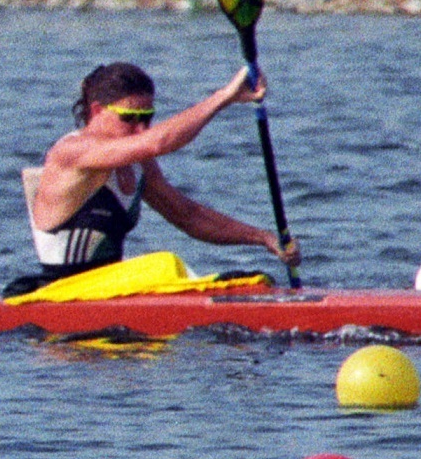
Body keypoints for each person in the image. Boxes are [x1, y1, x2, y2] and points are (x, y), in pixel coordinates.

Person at [18, 62, 299, 293]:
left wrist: (263, 238)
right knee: (165, 262)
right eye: (129, 118)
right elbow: (157, 143)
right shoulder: (72, 151)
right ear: (96, 111)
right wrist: (224, 97)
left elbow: (188, 215)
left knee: (250, 282)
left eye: (148, 117)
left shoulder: (139, 163)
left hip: (110, 289)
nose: (141, 128)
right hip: (61, 292)